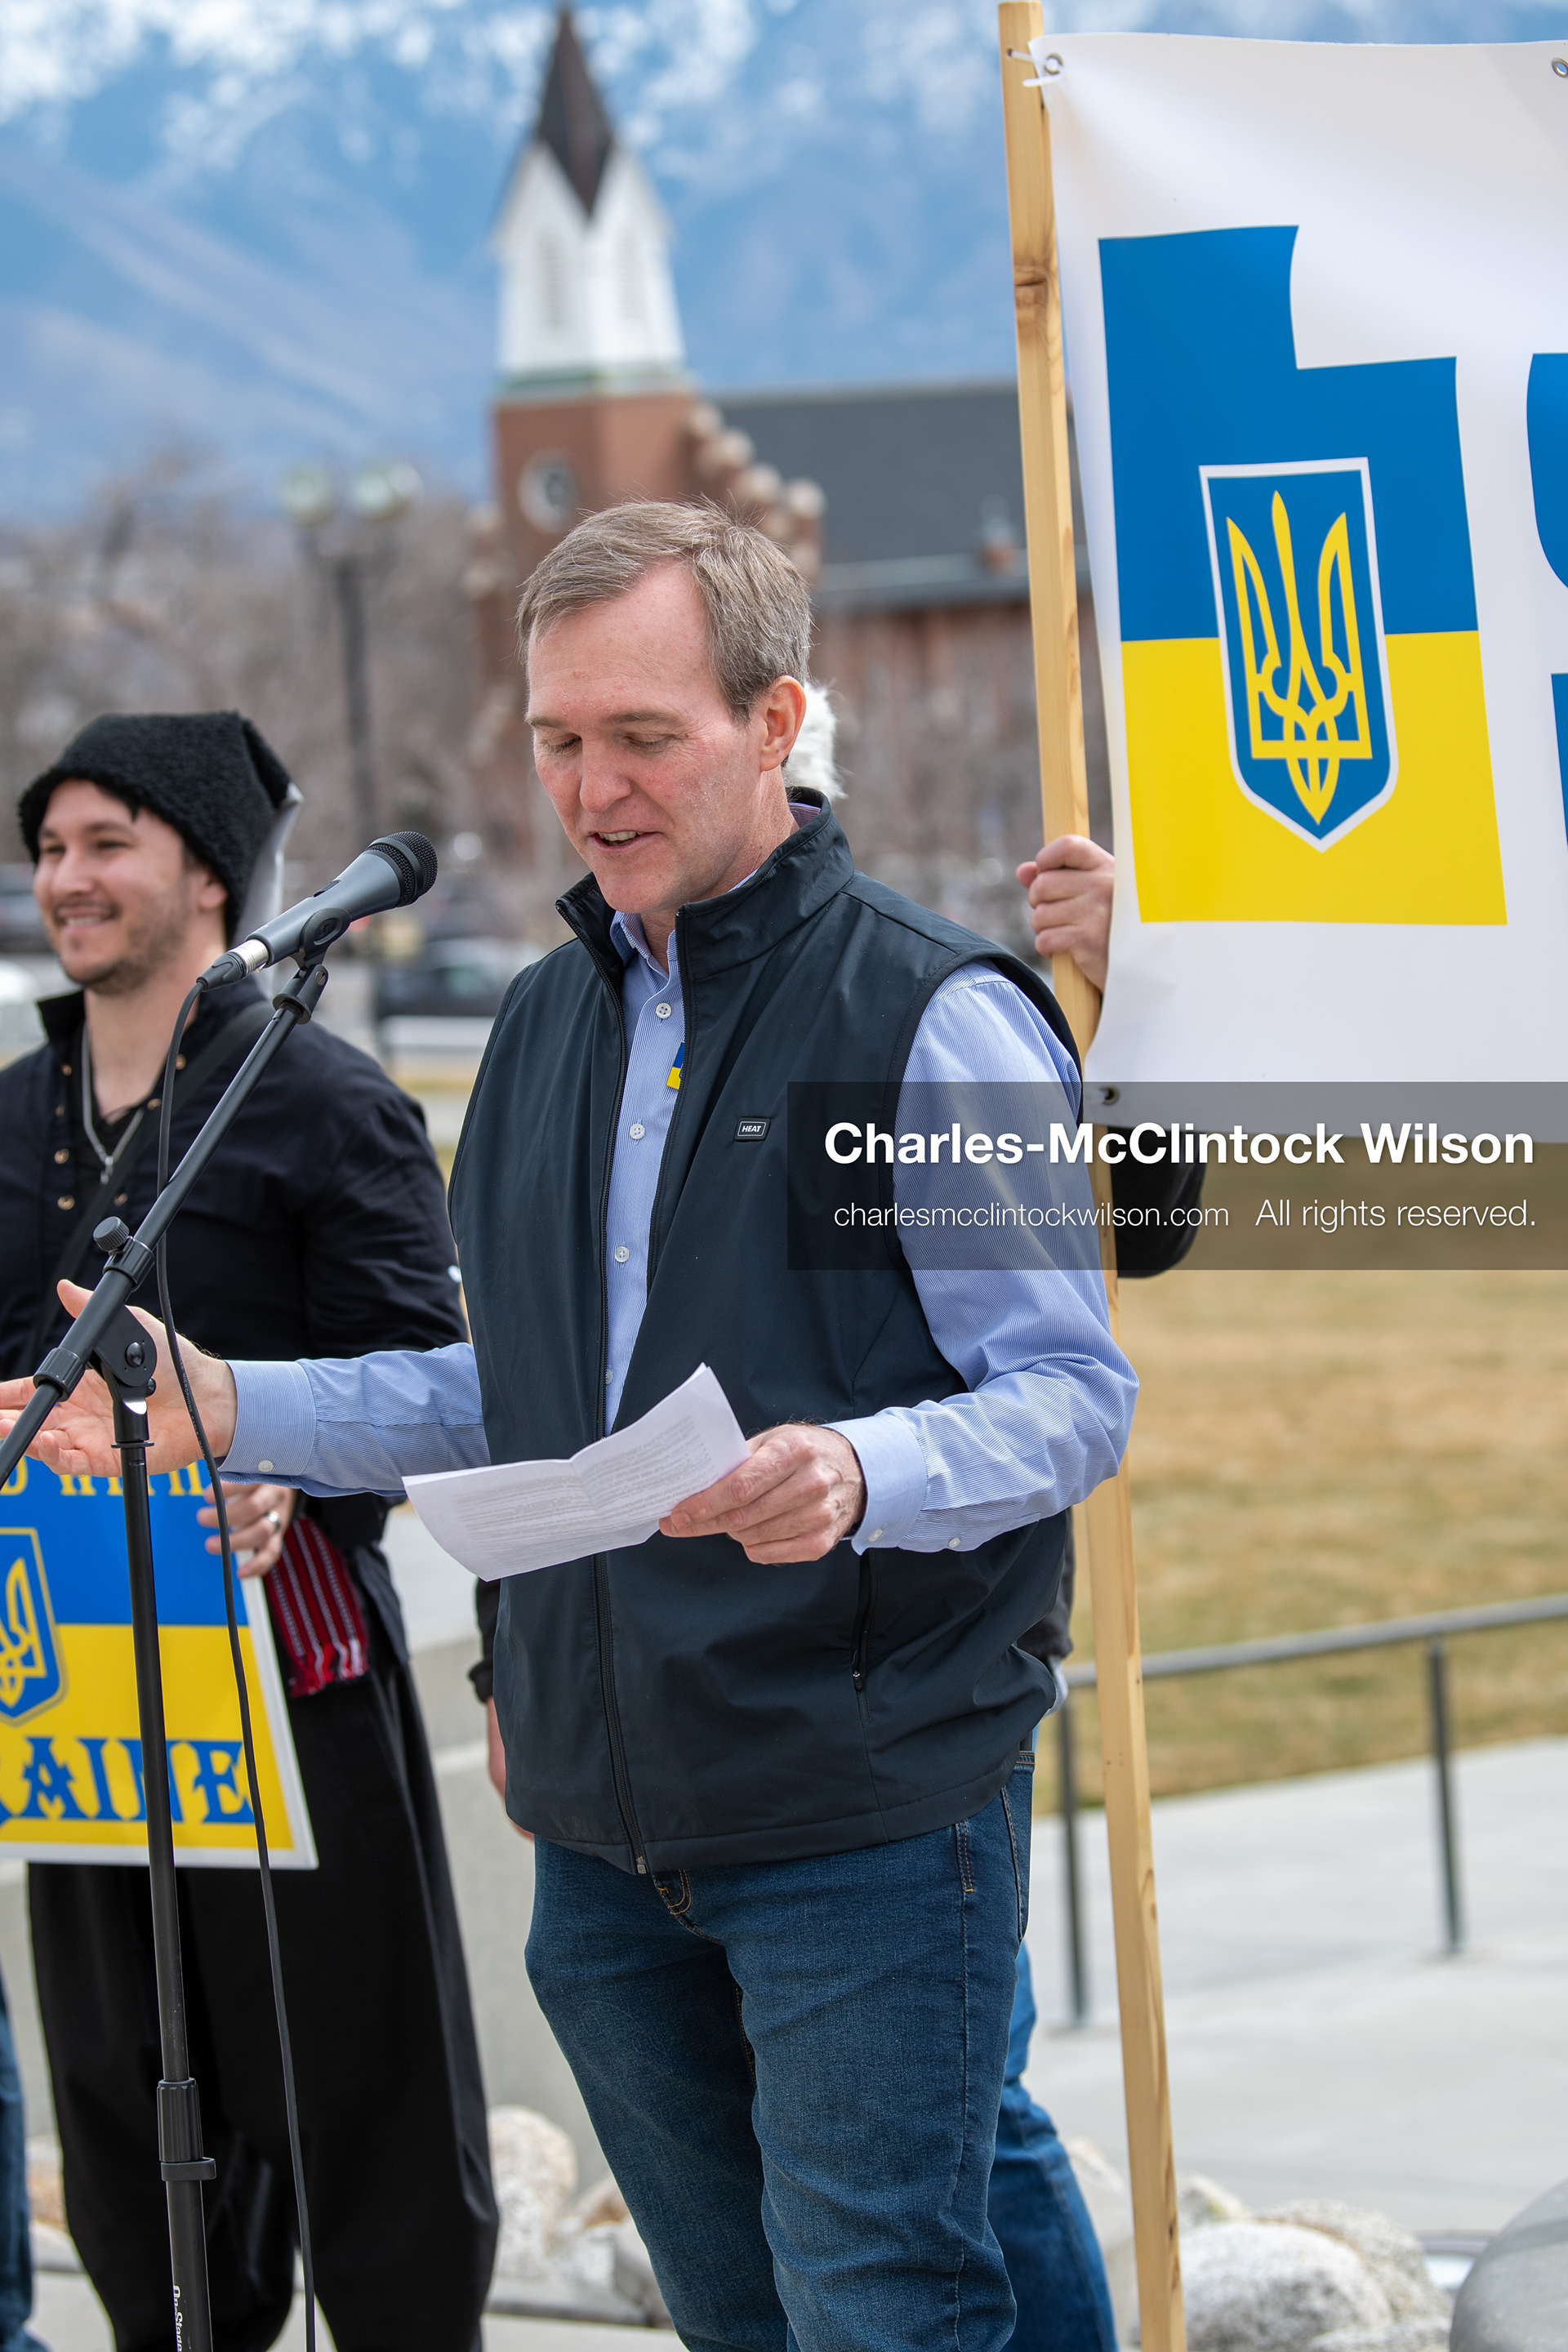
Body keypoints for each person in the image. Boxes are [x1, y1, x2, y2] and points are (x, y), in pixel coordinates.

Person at [2, 510, 1138, 2352]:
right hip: (601, 1823)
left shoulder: (922, 1021)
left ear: (776, 725)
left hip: (857, 1798)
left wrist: (860, 1473)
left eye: (641, 736)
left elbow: (1073, 1397)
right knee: (733, 2311)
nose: (589, 788)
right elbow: (506, 1395)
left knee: (882, 2305)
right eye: (555, 741)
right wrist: (237, 1403)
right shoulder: (538, 1032)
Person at [0, 714, 497, 2352]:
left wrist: (293, 1465)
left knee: (367, 2120)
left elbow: (430, 1381)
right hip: (75, 1698)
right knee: (134, 2140)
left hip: (292, 1686)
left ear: (210, 875)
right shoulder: (11, 1114)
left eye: (104, 844)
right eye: (51, 847)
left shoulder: (326, 1106)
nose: (65, 879)